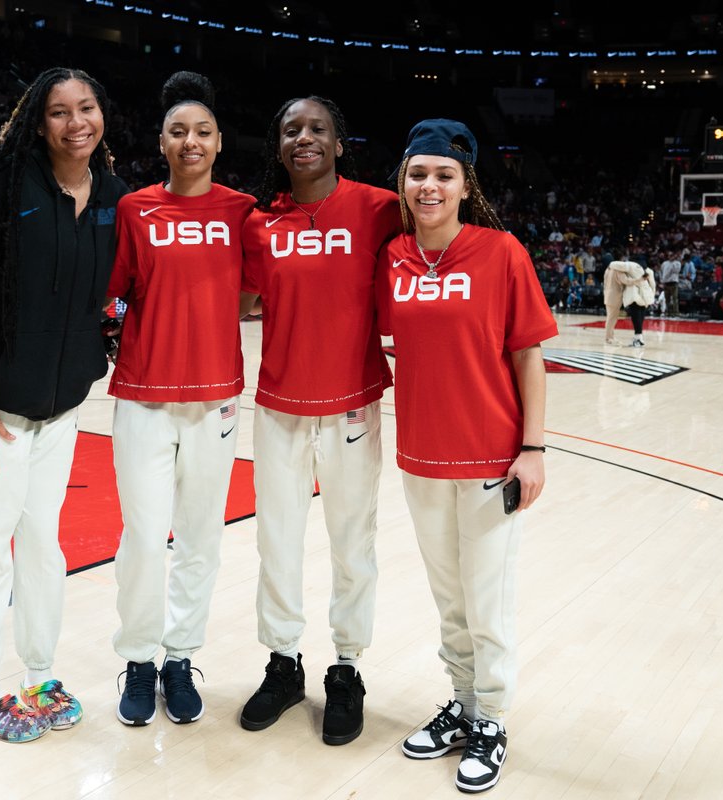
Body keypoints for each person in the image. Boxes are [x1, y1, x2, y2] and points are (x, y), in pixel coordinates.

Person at [0, 67, 128, 744]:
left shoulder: (113, 197)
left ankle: (38, 672)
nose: (77, 123)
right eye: (60, 112)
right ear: (38, 122)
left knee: (43, 548)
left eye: (86, 108)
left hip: (58, 412)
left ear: (101, 116)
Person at [377, 120, 557, 794]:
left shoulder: (501, 252)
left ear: (465, 184)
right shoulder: (392, 257)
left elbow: (528, 356)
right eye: (418, 173)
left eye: (443, 175)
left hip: (489, 456)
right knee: (449, 599)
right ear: (403, 180)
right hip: (420, 456)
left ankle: (494, 719)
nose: (429, 185)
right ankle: (463, 704)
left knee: (488, 601)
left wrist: (532, 449)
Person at [238, 95, 400, 746]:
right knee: (275, 542)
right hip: (278, 404)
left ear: (339, 143)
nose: (303, 138)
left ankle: (347, 669)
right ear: (277, 146)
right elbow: (240, 298)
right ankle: (283, 664)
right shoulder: (259, 222)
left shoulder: (380, 208)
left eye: (317, 129)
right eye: (290, 129)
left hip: (353, 402)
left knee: (352, 544)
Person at [107, 71, 255, 727]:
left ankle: (178, 657)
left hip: (217, 399)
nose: (190, 141)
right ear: (161, 142)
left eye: (201, 131)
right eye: (178, 132)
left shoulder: (244, 212)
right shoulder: (135, 210)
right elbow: (116, 292)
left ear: (218, 141)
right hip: (142, 393)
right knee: (143, 536)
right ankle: (139, 658)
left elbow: (256, 292)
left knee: (199, 538)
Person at [611, 259, 656, 347]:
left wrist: (624, 264)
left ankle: (638, 339)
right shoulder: (649, 271)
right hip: (645, 296)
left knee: (636, 318)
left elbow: (613, 264)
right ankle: (639, 338)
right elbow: (653, 285)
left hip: (635, 296)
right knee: (640, 318)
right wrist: (651, 296)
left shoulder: (633, 266)